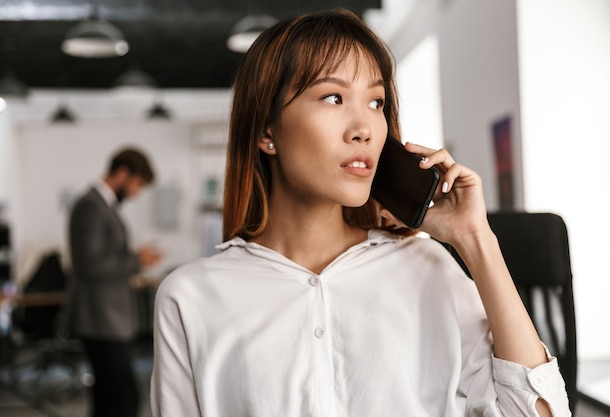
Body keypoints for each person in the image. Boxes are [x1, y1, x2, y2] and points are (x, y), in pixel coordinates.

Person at [150, 9, 570, 417]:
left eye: (376, 102)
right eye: (333, 97)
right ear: (266, 131)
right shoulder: (190, 298)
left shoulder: (427, 269)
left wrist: (476, 239)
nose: (365, 128)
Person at [68, 147, 162, 417]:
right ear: (122, 173)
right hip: (100, 319)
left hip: (108, 319)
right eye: (137, 184)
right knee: (122, 400)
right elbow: (90, 264)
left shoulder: (102, 205)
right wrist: (137, 260)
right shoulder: (90, 205)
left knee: (110, 400)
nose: (136, 193)